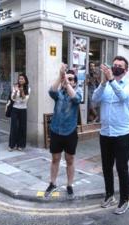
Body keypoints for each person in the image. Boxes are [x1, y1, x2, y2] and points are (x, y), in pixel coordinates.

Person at [92, 56, 129, 215]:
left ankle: (124, 200)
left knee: (122, 168)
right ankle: (109, 195)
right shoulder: (106, 85)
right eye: (114, 65)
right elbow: (94, 99)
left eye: (120, 66)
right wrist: (103, 83)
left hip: (123, 133)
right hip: (106, 133)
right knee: (106, 166)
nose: (116, 67)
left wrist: (111, 80)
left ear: (125, 70)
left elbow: (124, 97)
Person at [44, 64, 82, 199]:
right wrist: (60, 77)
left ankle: (69, 185)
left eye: (71, 79)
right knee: (55, 158)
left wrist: (67, 84)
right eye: (67, 78)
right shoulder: (59, 93)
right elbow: (51, 91)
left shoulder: (78, 92)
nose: (68, 80)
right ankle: (52, 183)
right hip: (56, 130)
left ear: (75, 82)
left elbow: (77, 99)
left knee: (70, 159)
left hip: (70, 131)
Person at [8, 73, 30, 151]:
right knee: (14, 127)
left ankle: (20, 145)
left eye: (22, 79)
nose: (20, 80)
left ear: (25, 80)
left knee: (22, 127)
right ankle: (12, 145)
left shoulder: (28, 88)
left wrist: (22, 91)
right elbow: (13, 98)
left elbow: (25, 100)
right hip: (15, 108)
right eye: (19, 78)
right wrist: (15, 91)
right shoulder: (15, 87)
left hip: (23, 109)